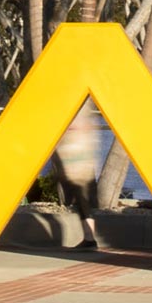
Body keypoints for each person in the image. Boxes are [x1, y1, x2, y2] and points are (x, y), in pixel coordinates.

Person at [55, 101, 102, 250]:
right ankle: (89, 238)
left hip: (77, 158)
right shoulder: (82, 107)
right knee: (82, 199)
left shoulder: (78, 108)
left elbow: (82, 128)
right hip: (78, 157)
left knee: (82, 198)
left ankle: (89, 238)